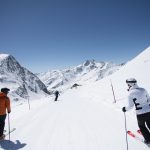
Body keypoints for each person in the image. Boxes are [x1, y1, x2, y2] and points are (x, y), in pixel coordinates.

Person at [122, 78, 150, 145]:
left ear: (130, 84)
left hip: (140, 113)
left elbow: (130, 106)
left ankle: (148, 140)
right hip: (149, 111)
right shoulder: (143, 90)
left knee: (142, 126)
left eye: (128, 84)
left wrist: (125, 109)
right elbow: (149, 99)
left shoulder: (130, 94)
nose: (127, 86)